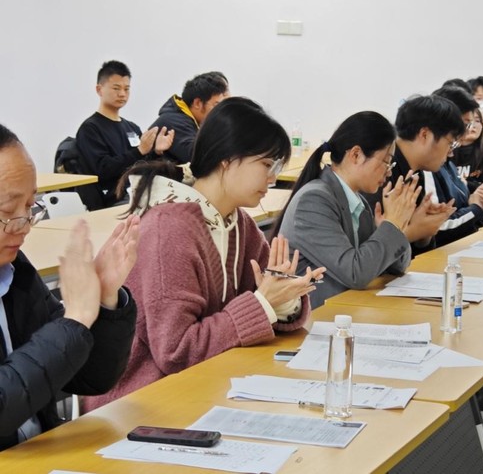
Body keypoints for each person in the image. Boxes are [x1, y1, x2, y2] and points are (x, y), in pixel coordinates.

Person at [83, 97, 325, 411]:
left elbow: (271, 302)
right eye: (267, 165)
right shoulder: (169, 228)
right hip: (143, 402)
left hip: (208, 386)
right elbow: (176, 351)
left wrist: (284, 299)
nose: (273, 178)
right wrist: (263, 304)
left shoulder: (239, 223)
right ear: (227, 159)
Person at [0, 124, 139, 451]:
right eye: (8, 210)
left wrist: (104, 300)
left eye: (30, 206)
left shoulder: (15, 271)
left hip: (39, 452)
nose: (25, 226)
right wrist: (74, 320)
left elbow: (90, 377)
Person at [272, 112, 422, 308]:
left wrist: (394, 227)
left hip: (344, 311)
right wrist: (391, 225)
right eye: (386, 162)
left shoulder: (359, 203)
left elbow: (396, 267)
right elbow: (355, 273)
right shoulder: (313, 201)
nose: (389, 172)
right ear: (356, 155)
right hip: (314, 317)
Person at [363, 95, 462, 255]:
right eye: (450, 143)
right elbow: (365, 249)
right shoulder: (383, 167)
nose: (451, 153)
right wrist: (413, 231)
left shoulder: (415, 171)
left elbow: (415, 252)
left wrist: (425, 232)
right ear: (425, 135)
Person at [76, 60, 174, 208]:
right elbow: (102, 170)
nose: (122, 94)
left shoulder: (132, 127)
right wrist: (139, 151)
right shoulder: (90, 129)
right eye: (116, 88)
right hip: (114, 199)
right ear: (99, 89)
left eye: (126, 89)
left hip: (139, 193)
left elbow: (142, 165)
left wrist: (156, 152)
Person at [429, 86, 483, 245]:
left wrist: (478, 196)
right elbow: (439, 228)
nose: (466, 132)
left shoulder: (448, 161)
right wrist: (476, 207)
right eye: (465, 124)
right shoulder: (429, 167)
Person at [150, 71, 230, 164]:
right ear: (197, 103)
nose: (221, 111)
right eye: (217, 105)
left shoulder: (188, 119)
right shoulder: (175, 121)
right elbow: (200, 159)